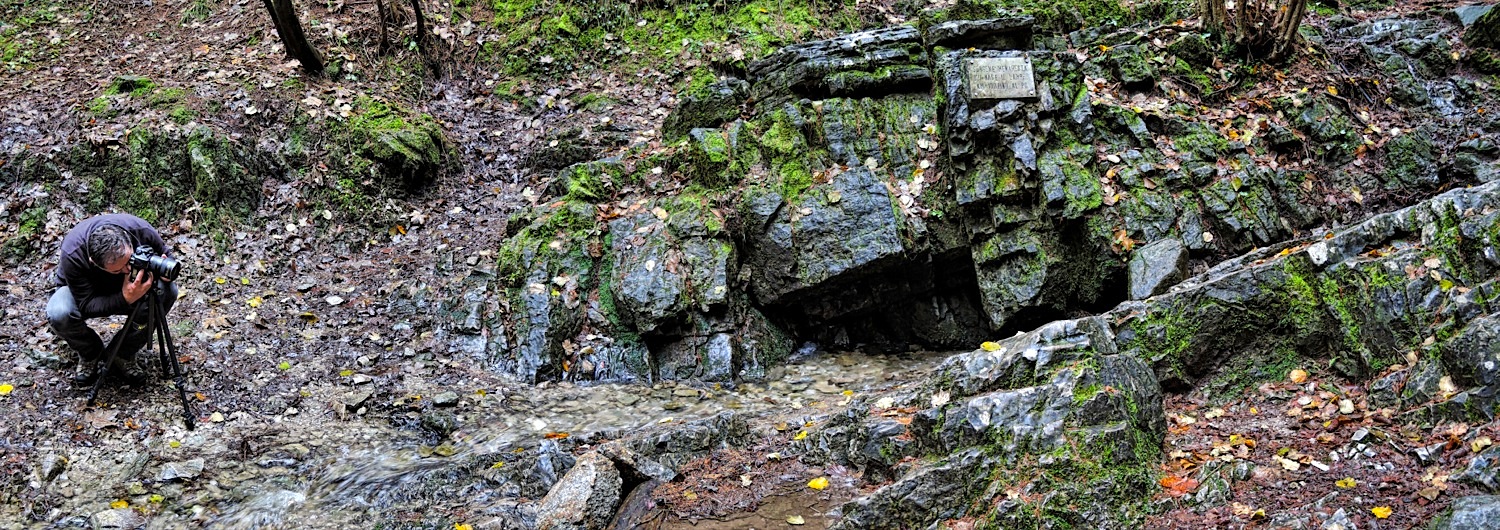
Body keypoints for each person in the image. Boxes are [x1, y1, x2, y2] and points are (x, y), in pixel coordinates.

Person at [46, 213, 178, 385]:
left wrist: (166, 274)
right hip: (86, 292)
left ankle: (122, 353)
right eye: (118, 270)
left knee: (167, 291)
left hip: (132, 289)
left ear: (128, 243)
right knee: (59, 312)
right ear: (93, 262)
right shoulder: (73, 252)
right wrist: (125, 297)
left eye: (130, 260)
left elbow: (168, 259)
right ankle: (90, 353)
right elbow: (85, 305)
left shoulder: (140, 230)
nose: (128, 269)